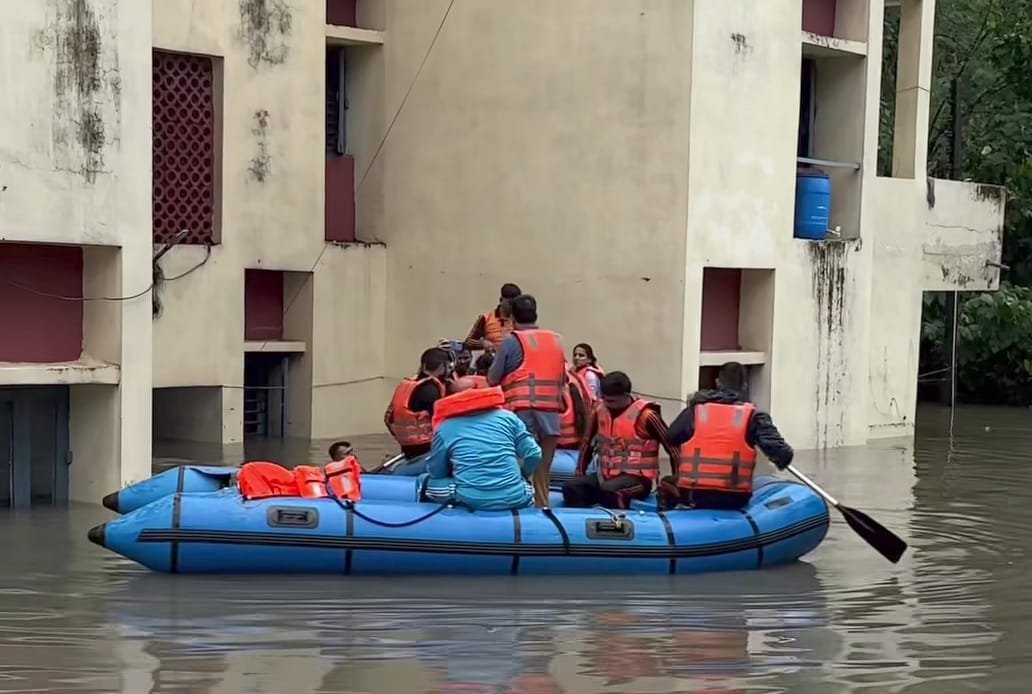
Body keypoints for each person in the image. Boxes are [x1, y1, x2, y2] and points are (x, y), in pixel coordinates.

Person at [660, 361, 794, 510]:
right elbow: (783, 453)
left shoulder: (695, 410)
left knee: (667, 482)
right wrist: (779, 460)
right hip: (734, 498)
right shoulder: (754, 416)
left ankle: (667, 516)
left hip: (694, 493)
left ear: (718, 383)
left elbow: (671, 437)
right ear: (744, 386)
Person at [488, 294, 567, 507]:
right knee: (543, 469)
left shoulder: (511, 341)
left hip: (521, 413)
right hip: (551, 414)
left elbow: (493, 378)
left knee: (520, 465)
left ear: (512, 317)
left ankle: (519, 509)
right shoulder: (556, 340)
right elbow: (563, 377)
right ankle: (543, 507)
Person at [562, 371, 680, 509]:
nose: (607, 404)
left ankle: (621, 517)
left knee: (610, 490)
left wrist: (676, 481)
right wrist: (580, 472)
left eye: (612, 401)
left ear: (626, 396)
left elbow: (673, 448)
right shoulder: (599, 412)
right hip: (605, 477)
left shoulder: (647, 416)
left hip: (639, 480)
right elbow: (587, 444)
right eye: (604, 399)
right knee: (572, 487)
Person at [422, 378, 542, 510]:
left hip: (470, 498)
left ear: (449, 398)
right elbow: (534, 454)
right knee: (526, 487)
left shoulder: (445, 428)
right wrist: (522, 474)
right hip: (514, 496)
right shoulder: (509, 418)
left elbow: (436, 472)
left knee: (425, 481)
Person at [383, 348, 450, 475]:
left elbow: (388, 418)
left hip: (407, 448)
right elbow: (443, 424)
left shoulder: (407, 385)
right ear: (442, 366)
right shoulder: (430, 390)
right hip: (426, 450)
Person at [463, 283, 521, 352]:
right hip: (493, 356)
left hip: (515, 356)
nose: (513, 306)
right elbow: (468, 342)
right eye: (510, 303)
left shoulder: (521, 318)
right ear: (501, 300)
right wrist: (482, 343)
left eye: (516, 303)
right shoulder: (486, 318)